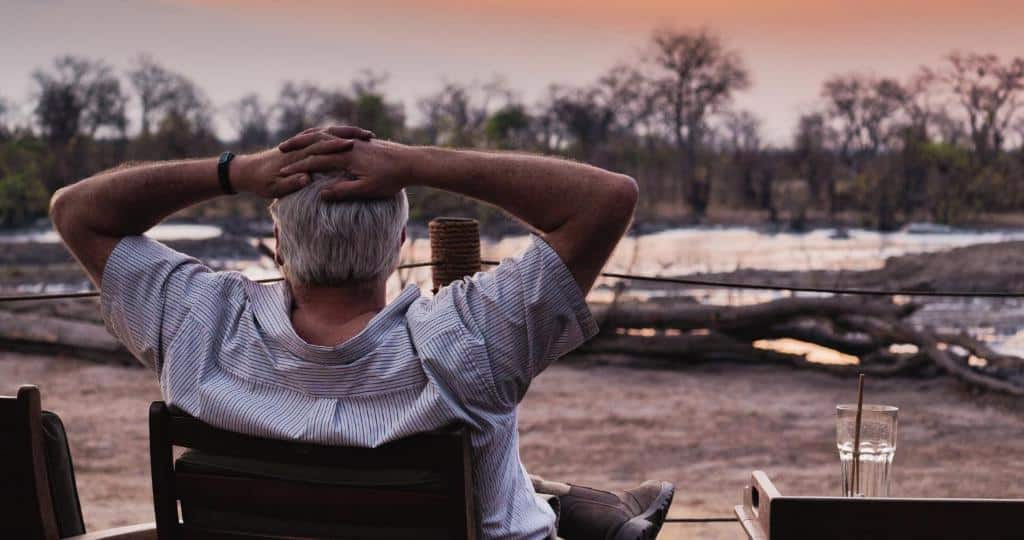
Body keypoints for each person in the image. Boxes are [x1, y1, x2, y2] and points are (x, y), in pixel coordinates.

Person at [51, 125, 675, 540]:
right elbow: (606, 197)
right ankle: (589, 511)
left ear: (275, 248)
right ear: (399, 246)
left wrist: (235, 171)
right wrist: (413, 162)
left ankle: (585, 506)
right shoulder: (468, 338)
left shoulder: (200, 324)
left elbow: (76, 211)